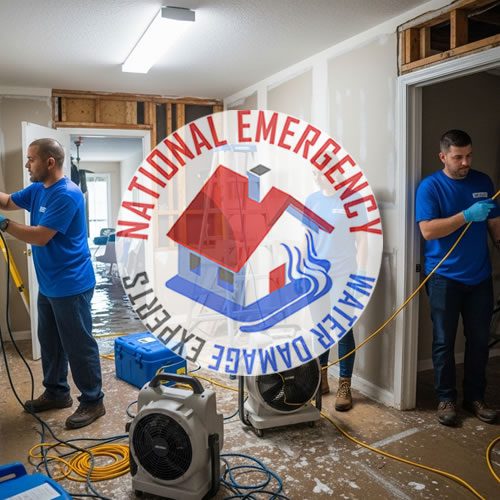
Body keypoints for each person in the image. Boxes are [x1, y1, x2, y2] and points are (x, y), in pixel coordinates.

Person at [0, 138, 105, 429]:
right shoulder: (38, 189)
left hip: (71, 284)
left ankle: (94, 400)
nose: (26, 164)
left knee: (78, 345)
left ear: (49, 162)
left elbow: (41, 235)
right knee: (50, 342)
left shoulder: (67, 194)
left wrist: (4, 224)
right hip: (48, 284)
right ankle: (57, 393)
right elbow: (8, 201)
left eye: (31, 159)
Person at [416, 129, 500, 426]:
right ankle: (446, 399)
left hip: (479, 278)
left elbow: (494, 225)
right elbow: (428, 230)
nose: (465, 162)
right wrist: (466, 215)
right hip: (444, 277)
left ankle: (475, 398)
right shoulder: (430, 187)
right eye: (458, 157)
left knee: (479, 340)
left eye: (469, 156)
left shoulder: (483, 182)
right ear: (443, 157)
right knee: (443, 341)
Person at [306, 170, 360, 411]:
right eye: (317, 170)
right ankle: (321, 379)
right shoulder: (312, 200)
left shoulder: (352, 200)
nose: (321, 175)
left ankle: (344, 385)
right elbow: (308, 237)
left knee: (342, 328)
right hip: (317, 275)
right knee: (320, 327)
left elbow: (364, 239)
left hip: (343, 273)